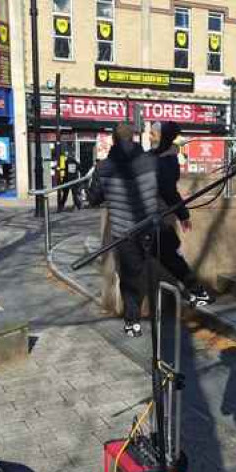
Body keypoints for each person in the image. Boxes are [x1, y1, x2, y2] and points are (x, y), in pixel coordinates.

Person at [88, 123, 161, 338]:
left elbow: (94, 198)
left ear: (113, 140)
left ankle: (133, 321)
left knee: (129, 276)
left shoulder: (104, 167)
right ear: (134, 138)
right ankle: (153, 314)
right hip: (149, 227)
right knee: (147, 272)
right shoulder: (150, 161)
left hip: (123, 231)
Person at [148, 121, 214, 307]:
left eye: (153, 134)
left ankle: (197, 291)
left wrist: (183, 215)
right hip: (148, 217)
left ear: (163, 137)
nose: (149, 136)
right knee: (169, 255)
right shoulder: (154, 156)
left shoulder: (166, 160)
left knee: (171, 255)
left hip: (156, 217)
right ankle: (193, 290)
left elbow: (169, 191)